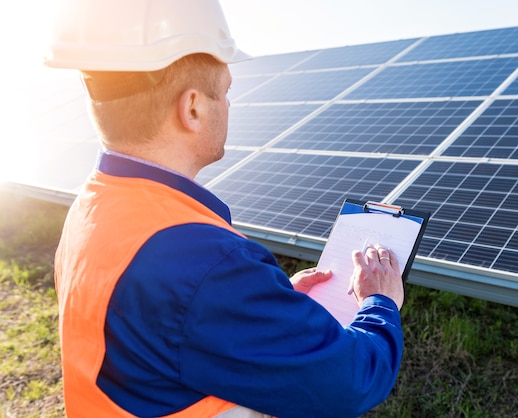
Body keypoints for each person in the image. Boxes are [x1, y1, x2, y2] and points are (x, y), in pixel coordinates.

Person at [48, 0, 406, 417]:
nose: (231, 105)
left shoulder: (94, 205)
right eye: (227, 91)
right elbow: (350, 381)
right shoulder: (205, 263)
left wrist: (265, 305)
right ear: (194, 108)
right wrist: (380, 302)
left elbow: (156, 328)